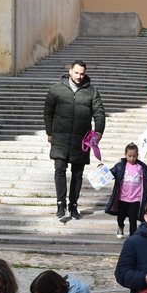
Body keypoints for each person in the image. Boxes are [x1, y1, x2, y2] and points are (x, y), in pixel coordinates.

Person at [44, 60, 106, 220]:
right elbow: (48, 112)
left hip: (81, 140)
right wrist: (49, 132)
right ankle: (60, 204)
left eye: (82, 74)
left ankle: (73, 205)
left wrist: (98, 132)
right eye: (76, 72)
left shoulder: (92, 92)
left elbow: (99, 112)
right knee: (59, 169)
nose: (79, 76)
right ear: (70, 71)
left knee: (77, 174)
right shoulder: (56, 90)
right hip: (60, 138)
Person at [104, 142, 147, 239]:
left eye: (134, 156)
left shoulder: (141, 169)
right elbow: (110, 173)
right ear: (125, 155)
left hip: (135, 199)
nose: (132, 158)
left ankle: (133, 238)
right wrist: (102, 169)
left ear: (137, 155)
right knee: (121, 217)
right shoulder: (120, 166)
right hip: (122, 198)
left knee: (133, 219)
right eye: (129, 156)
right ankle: (121, 226)